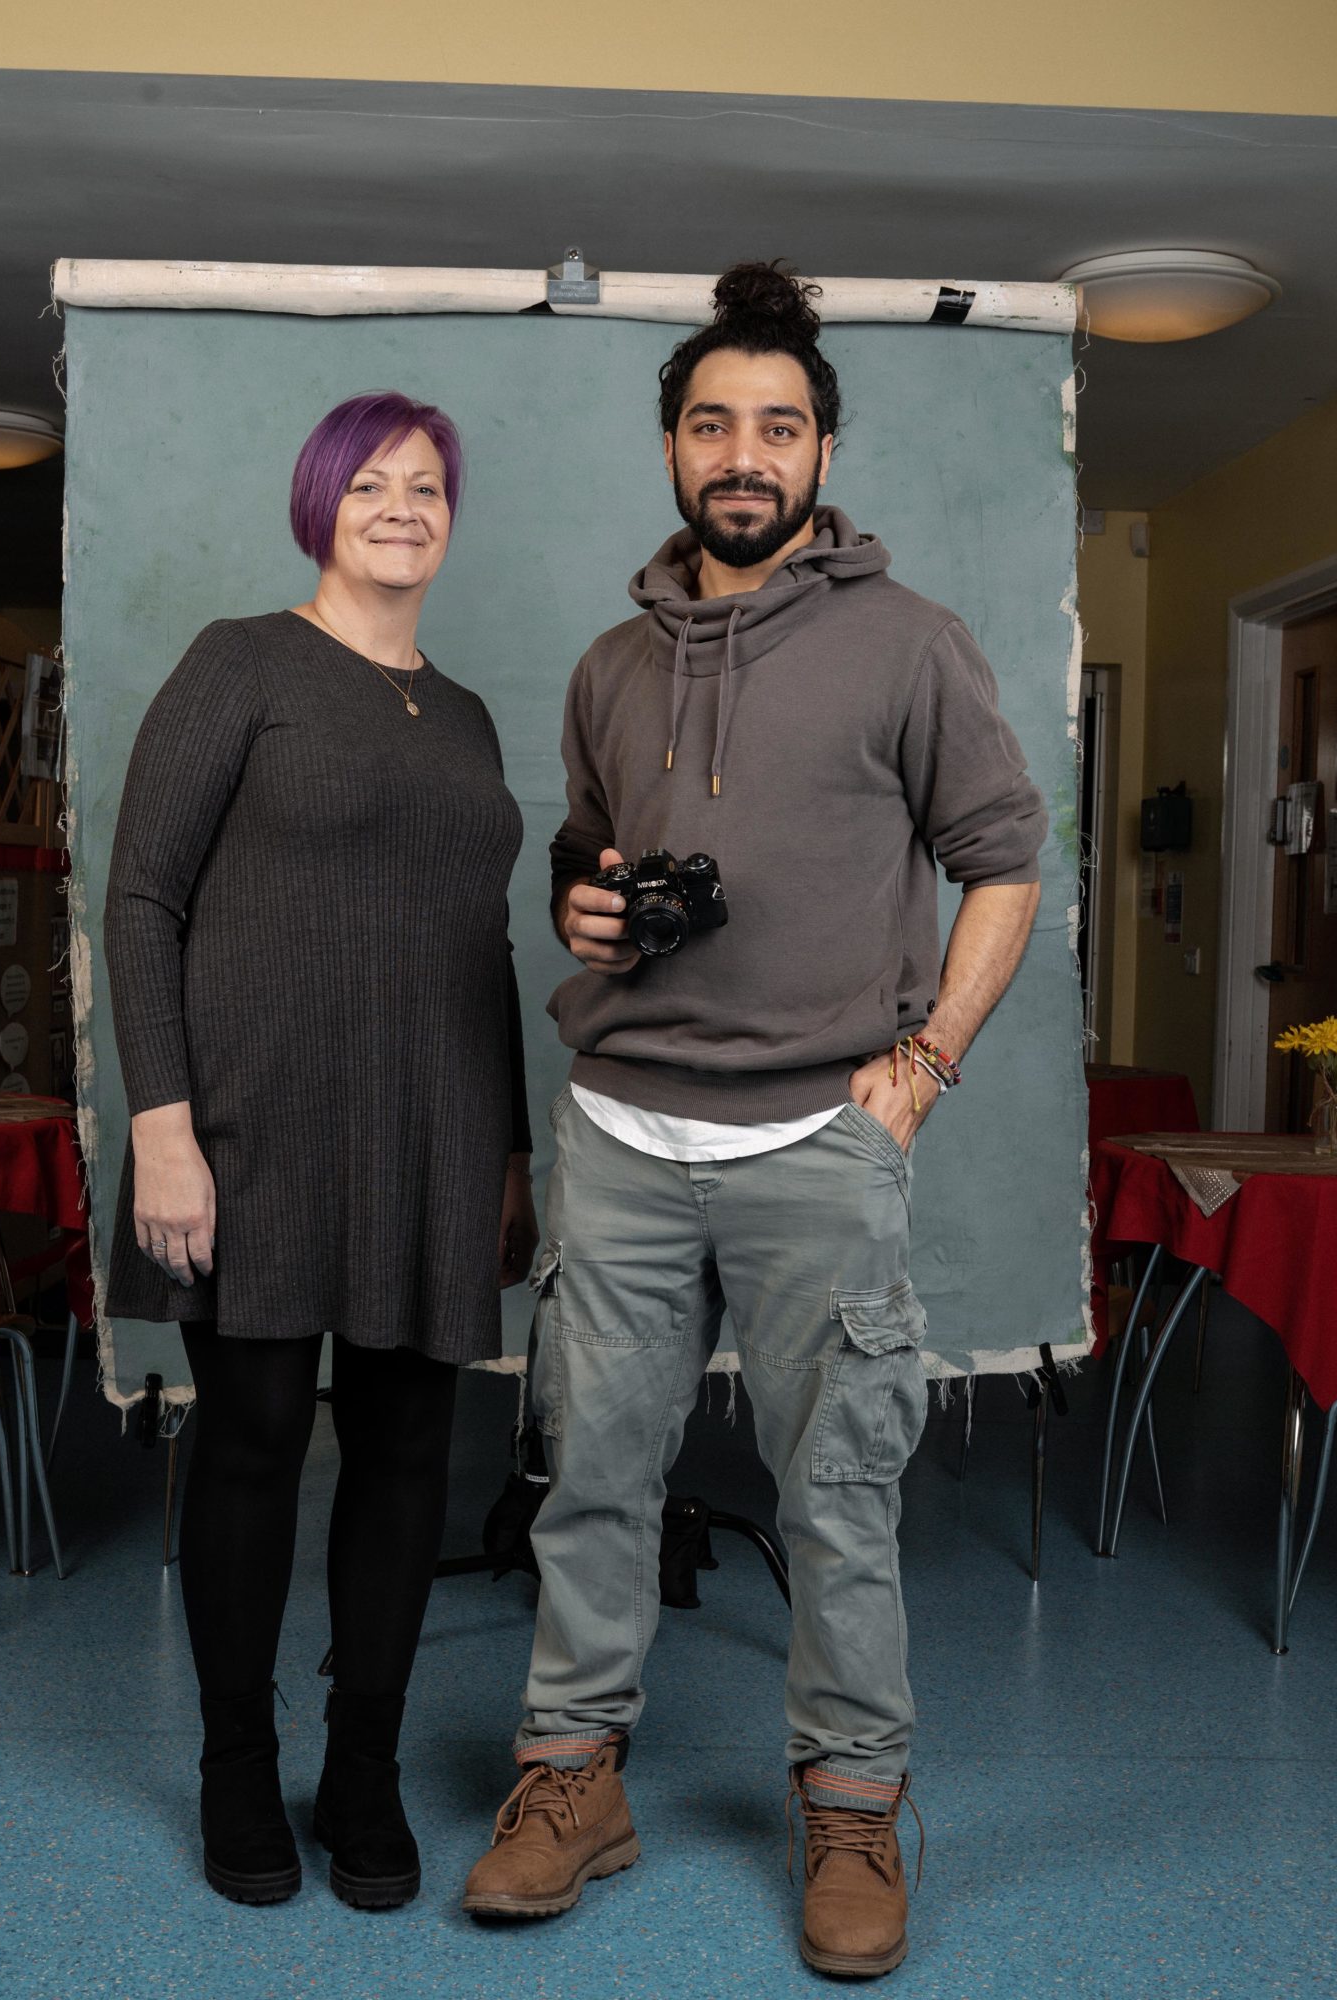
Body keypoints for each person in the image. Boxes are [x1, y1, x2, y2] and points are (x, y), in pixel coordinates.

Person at [462, 265, 1046, 1979]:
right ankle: (573, 1785)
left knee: (838, 1500)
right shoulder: (607, 664)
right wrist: (581, 907)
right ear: (669, 451)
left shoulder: (911, 642)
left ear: (821, 451)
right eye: (713, 423)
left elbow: (1005, 864)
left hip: (818, 1136)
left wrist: (926, 1063)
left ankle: (854, 1811)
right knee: (590, 1481)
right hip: (623, 1135)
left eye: (777, 426)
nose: (744, 453)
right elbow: (586, 860)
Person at [105, 390, 537, 1912]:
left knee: (413, 1454)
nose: (404, 507)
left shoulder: (469, 714)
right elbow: (143, 901)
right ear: (320, 504)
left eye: (428, 486)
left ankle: (364, 1770)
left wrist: (514, 1160)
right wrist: (163, 1128)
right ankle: (238, 1769)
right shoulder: (244, 662)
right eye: (372, 485)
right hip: (254, 1128)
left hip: (435, 1131)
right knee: (253, 1445)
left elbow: (484, 947)